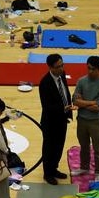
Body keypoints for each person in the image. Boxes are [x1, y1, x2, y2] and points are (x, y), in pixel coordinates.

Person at [38, 53, 74, 185]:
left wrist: (68, 113)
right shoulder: (44, 83)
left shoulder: (61, 75)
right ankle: (47, 173)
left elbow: (65, 93)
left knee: (59, 146)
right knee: (49, 148)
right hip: (50, 122)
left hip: (62, 119)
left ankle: (54, 168)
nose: (61, 69)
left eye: (62, 65)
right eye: (58, 67)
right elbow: (47, 106)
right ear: (50, 67)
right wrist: (63, 109)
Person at [72, 55, 99, 182]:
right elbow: (75, 101)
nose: (90, 71)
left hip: (96, 122)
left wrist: (83, 103)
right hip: (82, 120)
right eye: (88, 68)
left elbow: (98, 106)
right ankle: (84, 167)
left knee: (98, 149)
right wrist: (91, 102)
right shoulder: (81, 81)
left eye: (93, 69)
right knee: (84, 146)